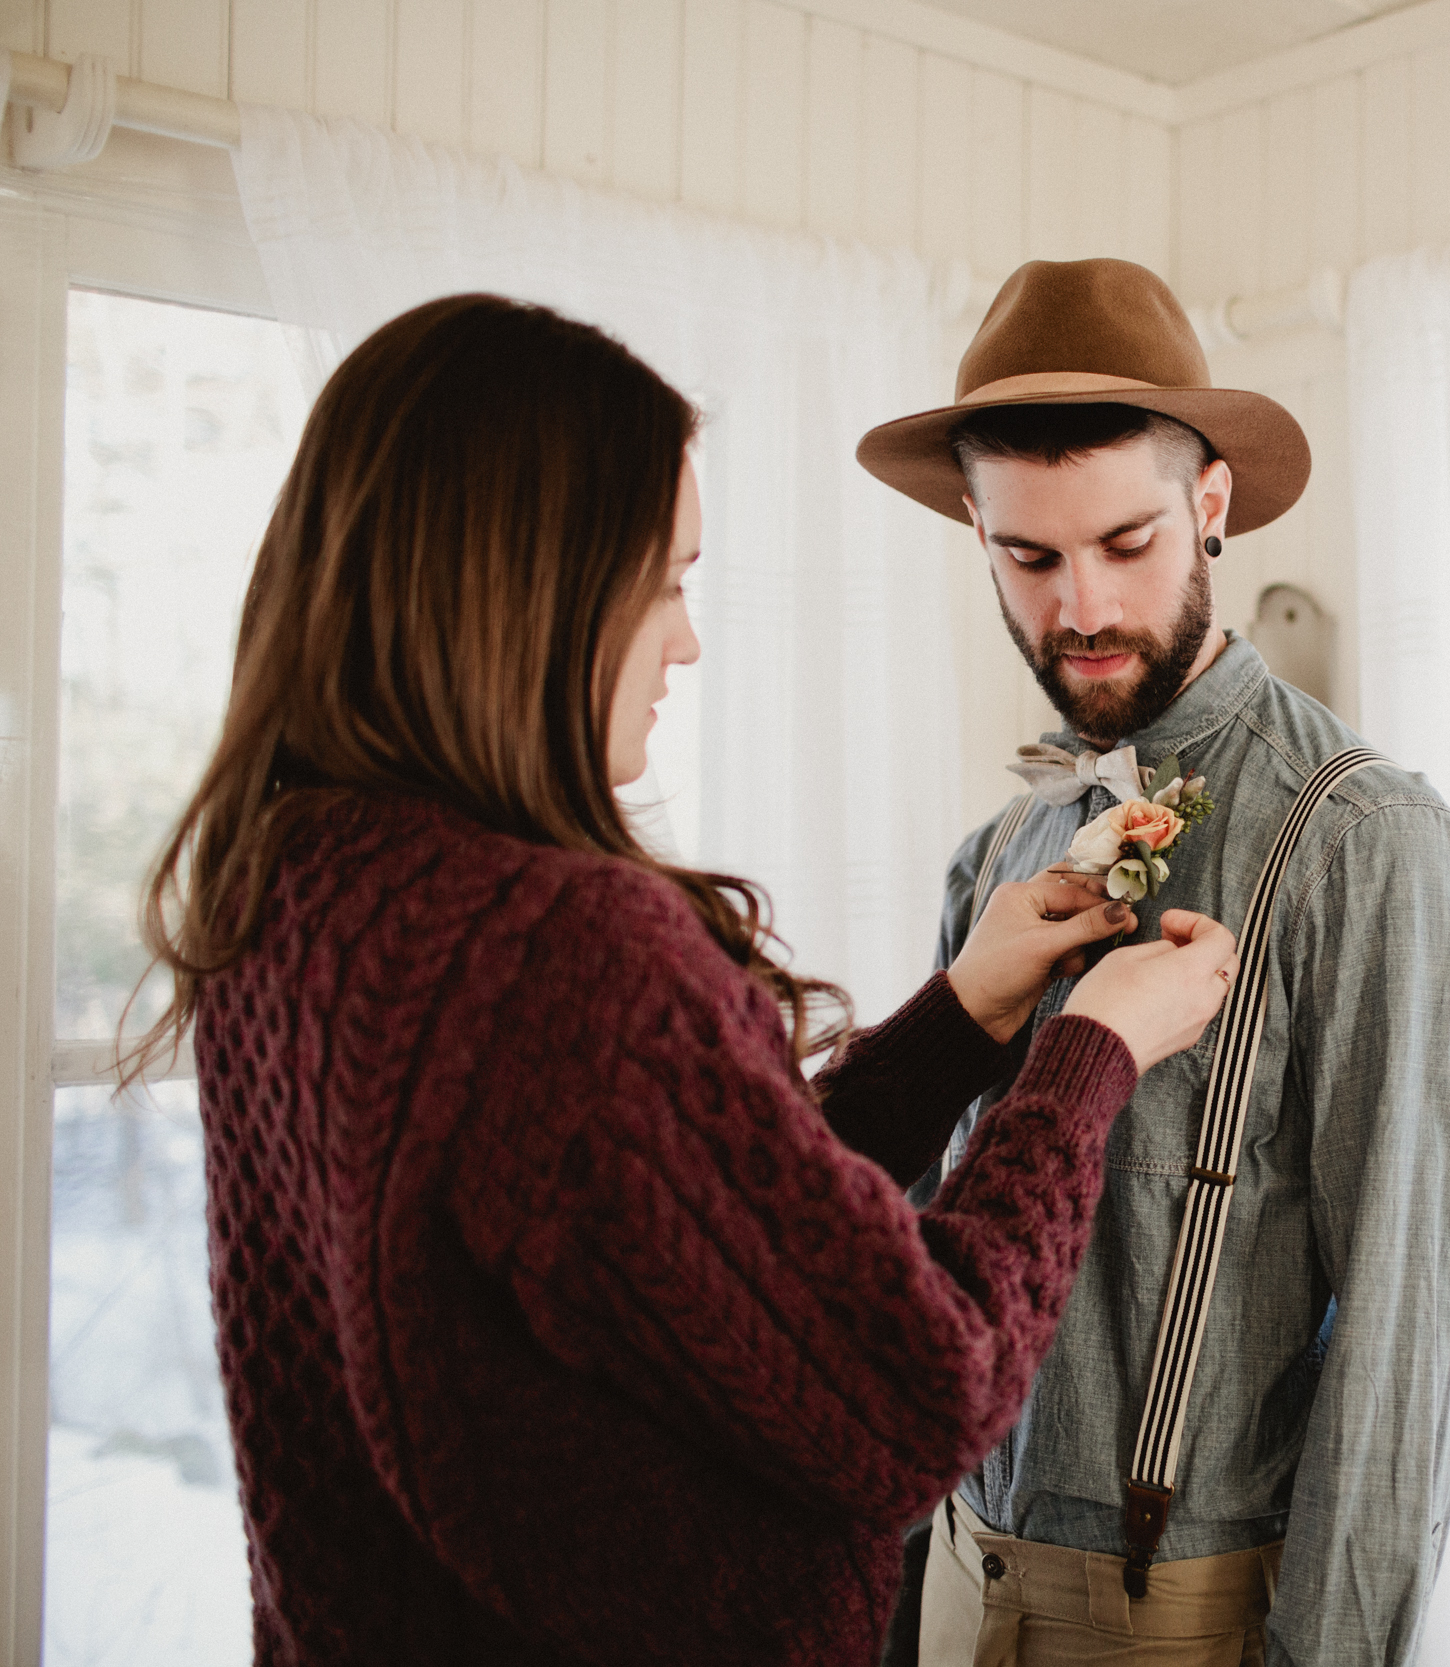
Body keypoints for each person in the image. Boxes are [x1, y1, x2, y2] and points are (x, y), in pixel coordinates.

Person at [126, 292, 1238, 1667]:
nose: (687, 641)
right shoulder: (556, 949)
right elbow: (915, 1392)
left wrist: (959, 1022)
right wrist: (1090, 1058)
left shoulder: (295, 887)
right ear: (524, 591)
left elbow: (687, 1246)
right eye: (666, 581)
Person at [857, 259, 1450, 1666]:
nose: (1080, 607)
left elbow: (1400, 1342)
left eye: (1127, 543)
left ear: (1211, 504)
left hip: (1191, 1623)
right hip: (961, 1578)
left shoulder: (1369, 846)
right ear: (976, 533)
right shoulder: (996, 859)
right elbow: (899, 1269)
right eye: (1029, 559)